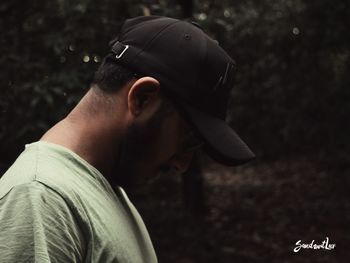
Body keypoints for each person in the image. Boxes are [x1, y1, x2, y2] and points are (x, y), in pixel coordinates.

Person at [0, 16, 255, 263]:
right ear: (142, 98)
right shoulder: (41, 200)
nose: (182, 164)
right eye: (187, 139)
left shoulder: (99, 189)